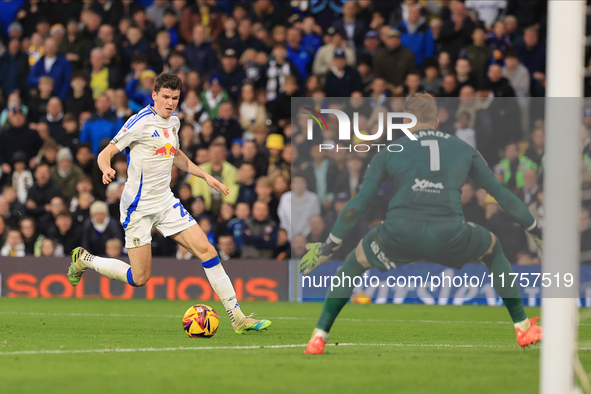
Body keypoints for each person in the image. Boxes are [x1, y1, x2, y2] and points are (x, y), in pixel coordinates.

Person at [299, 93, 543, 355]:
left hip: (398, 232)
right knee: (493, 249)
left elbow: (358, 204)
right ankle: (522, 326)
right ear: (436, 121)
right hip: (449, 233)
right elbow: (502, 194)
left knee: (352, 265)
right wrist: (537, 232)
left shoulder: (389, 150)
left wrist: (328, 248)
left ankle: (318, 338)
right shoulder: (463, 148)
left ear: (406, 121)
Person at [67, 72, 270, 334]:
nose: (170, 102)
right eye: (165, 97)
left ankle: (238, 318)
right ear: (154, 95)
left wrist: (206, 175)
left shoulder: (173, 122)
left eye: (175, 98)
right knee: (140, 278)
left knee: (207, 250)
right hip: (138, 207)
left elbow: (176, 155)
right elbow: (106, 153)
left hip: (165, 202)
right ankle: (85, 259)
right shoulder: (139, 121)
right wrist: (106, 169)